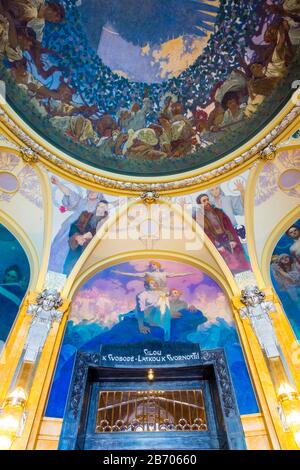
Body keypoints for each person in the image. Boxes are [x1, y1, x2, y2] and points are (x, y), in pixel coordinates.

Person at [49, 177, 105, 273]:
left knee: (76, 254)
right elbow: (69, 193)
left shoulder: (100, 207)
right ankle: (53, 267)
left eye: (94, 192)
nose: (91, 193)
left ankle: (68, 272)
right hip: (71, 228)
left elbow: (99, 223)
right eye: (90, 191)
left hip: (86, 232)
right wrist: (58, 183)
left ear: (99, 194)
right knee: (61, 247)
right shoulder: (81, 201)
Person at [193, 194, 250, 273]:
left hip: (227, 238)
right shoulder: (198, 217)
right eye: (204, 201)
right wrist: (217, 245)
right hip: (216, 242)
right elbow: (204, 234)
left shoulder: (218, 212)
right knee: (228, 265)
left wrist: (232, 239)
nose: (207, 202)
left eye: (207, 199)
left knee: (240, 260)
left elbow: (228, 226)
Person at [63, 200, 109, 275]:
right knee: (68, 270)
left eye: (103, 207)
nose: (100, 208)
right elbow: (73, 226)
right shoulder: (85, 215)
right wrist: (77, 237)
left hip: (90, 254)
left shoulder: (106, 223)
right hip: (77, 249)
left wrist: (90, 237)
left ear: (106, 210)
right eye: (99, 206)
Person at [112, 260, 194, 292]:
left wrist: (189, 273)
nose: (152, 266)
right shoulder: (148, 274)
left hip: (163, 292)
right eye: (151, 265)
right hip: (152, 292)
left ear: (158, 266)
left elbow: (177, 274)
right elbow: (134, 274)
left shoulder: (164, 274)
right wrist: (120, 272)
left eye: (153, 264)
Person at [135, 276, 171, 340]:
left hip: (156, 315)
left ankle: (166, 336)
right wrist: (141, 326)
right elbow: (140, 310)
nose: (155, 284)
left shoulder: (160, 293)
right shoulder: (142, 295)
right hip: (145, 315)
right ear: (146, 286)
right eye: (152, 283)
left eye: (155, 283)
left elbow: (166, 297)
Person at [0, 264, 27, 346]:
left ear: (17, 280)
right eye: (8, 275)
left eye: (13, 277)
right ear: (4, 275)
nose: (9, 278)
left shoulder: (21, 295)